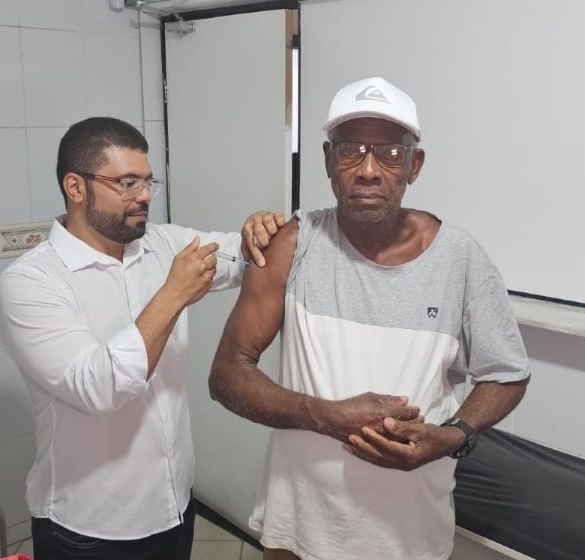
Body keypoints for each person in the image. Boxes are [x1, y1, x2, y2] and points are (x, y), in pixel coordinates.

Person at [209, 77, 531, 560]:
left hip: (408, 535)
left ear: (414, 165)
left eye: (390, 154)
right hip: (298, 527)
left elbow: (507, 374)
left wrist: (451, 437)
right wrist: (326, 416)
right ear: (327, 160)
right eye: (350, 150)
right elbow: (226, 375)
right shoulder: (292, 244)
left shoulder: (459, 259)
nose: (368, 170)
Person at [0, 116, 284, 560]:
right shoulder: (30, 283)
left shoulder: (163, 245)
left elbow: (245, 256)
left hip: (173, 505)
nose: (145, 195)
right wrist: (173, 294)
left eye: (148, 182)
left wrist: (258, 232)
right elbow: (99, 388)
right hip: (89, 527)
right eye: (127, 183)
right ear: (76, 187)